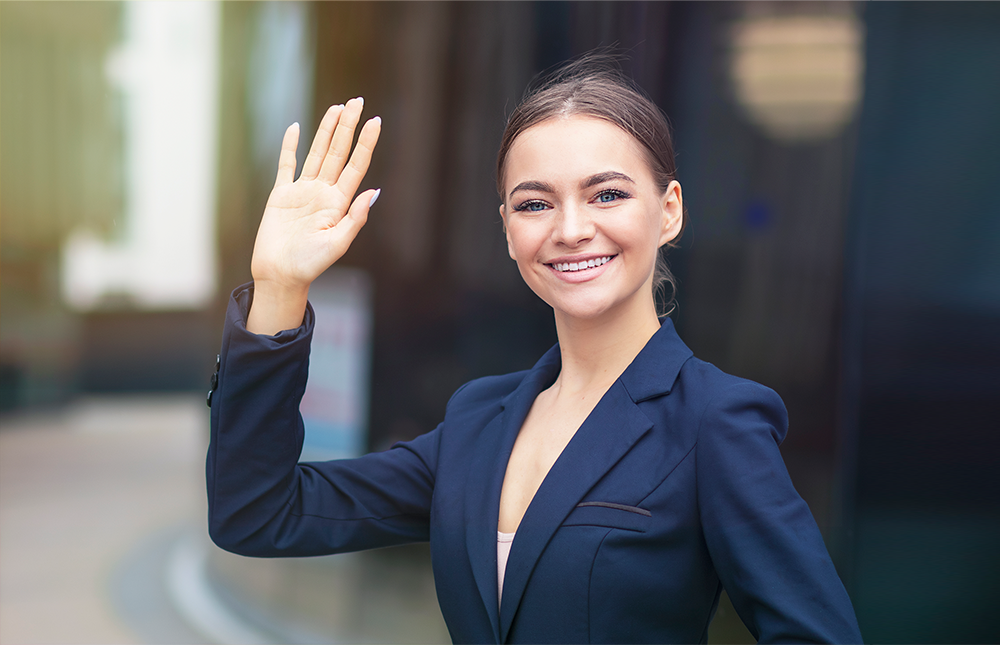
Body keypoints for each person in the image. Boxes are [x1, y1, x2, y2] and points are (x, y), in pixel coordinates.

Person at [207, 57, 863, 644]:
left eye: (607, 194)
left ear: (668, 211)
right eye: (535, 203)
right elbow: (258, 514)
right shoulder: (479, 420)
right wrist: (280, 287)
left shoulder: (714, 421)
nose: (572, 229)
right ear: (507, 230)